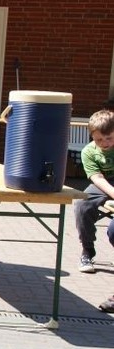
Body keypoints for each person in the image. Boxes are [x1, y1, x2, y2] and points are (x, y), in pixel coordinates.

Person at [73, 109, 114, 277]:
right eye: (99, 139)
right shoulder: (88, 152)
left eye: (109, 138)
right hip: (103, 183)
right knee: (82, 203)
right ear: (92, 137)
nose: (104, 143)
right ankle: (87, 250)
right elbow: (97, 178)